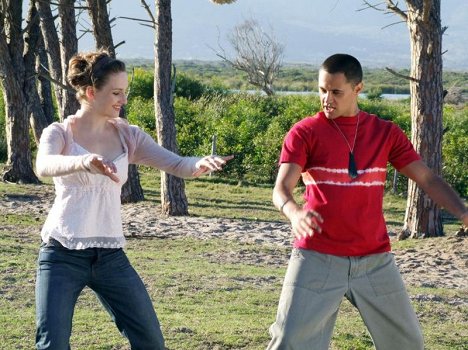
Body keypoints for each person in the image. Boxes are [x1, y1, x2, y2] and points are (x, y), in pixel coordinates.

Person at [267, 53, 468, 350]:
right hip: (317, 258)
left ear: (358, 88)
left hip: (375, 261)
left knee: (408, 344)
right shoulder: (305, 133)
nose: (327, 99)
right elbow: (281, 189)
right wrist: (294, 212)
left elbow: (427, 179)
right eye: (322, 90)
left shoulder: (385, 133)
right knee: (289, 342)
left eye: (336, 92)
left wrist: (463, 212)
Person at [34, 50, 233, 349]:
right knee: (53, 345)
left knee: (151, 342)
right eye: (116, 92)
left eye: (124, 92)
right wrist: (83, 161)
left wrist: (199, 164)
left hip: (110, 257)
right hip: (62, 253)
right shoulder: (61, 133)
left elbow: (178, 164)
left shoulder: (129, 136)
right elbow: (44, 166)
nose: (123, 100)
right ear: (90, 92)